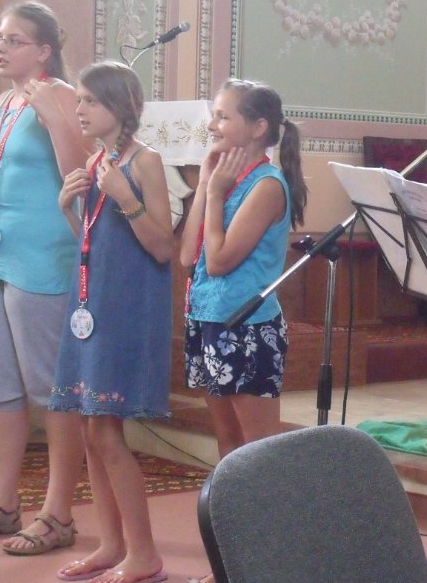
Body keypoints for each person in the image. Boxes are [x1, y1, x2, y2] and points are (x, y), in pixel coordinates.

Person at [0, 1, 88, 555]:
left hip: (41, 256)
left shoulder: (62, 96)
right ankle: (3, 505)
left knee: (50, 391)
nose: (0, 48)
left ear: (44, 50)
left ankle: (58, 514)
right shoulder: (7, 101)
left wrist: (56, 118)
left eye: (14, 40)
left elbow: (77, 174)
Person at [50, 60, 174, 583]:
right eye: (78, 99)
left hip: (128, 308)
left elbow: (163, 247)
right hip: (91, 304)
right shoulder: (97, 159)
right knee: (88, 428)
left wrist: (124, 197)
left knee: (105, 430)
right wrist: (69, 210)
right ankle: (111, 544)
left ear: (120, 107)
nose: (78, 109)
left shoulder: (146, 162)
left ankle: (144, 555)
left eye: (89, 101)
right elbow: (97, 244)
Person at [180, 79, 307, 459]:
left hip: (247, 325)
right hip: (208, 317)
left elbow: (219, 262)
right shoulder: (220, 180)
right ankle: (230, 502)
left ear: (258, 127)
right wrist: (206, 185)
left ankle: (268, 503)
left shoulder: (266, 186)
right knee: (229, 440)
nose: (211, 126)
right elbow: (187, 257)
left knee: (258, 450)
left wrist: (215, 194)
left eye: (222, 117)